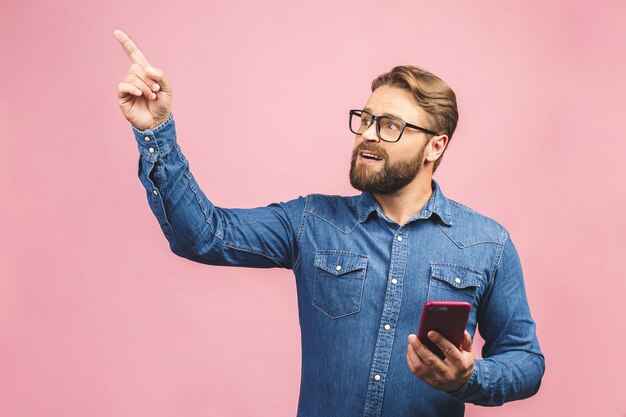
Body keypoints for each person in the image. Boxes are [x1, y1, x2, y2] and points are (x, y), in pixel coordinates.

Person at [114, 29, 545, 417]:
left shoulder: (489, 243)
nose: (369, 134)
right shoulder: (311, 222)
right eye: (367, 119)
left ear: (435, 146)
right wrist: (156, 131)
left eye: (390, 125)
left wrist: (468, 380)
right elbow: (205, 236)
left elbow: (525, 360)